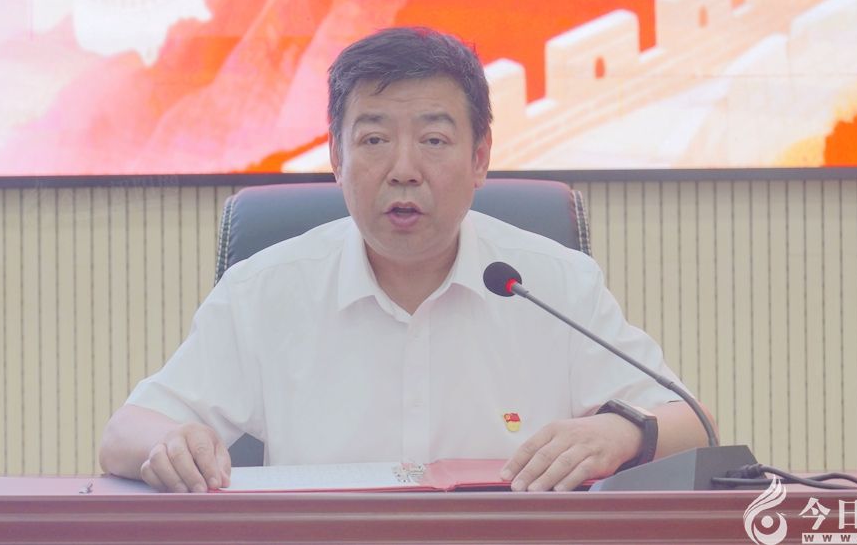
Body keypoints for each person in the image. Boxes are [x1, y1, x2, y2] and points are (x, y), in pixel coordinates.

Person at [99, 27, 713, 494]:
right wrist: (171, 442)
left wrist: (619, 432)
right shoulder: (267, 289)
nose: (403, 169)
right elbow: (125, 433)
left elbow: (694, 423)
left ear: (479, 159)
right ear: (337, 159)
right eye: (374, 140)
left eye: (434, 140)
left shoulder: (550, 282)